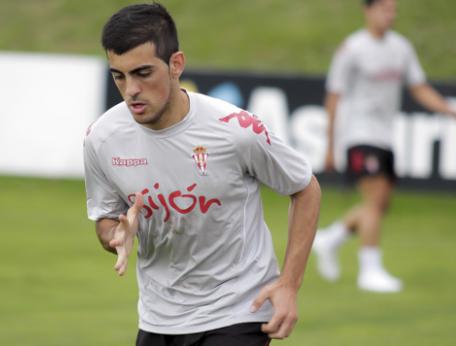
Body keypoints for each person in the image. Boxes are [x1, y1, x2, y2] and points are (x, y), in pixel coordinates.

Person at [83, 3, 321, 345]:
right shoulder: (102, 138)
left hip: (238, 310)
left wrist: (289, 284)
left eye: (143, 73)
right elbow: (106, 220)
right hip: (158, 317)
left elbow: (305, 188)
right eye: (119, 76)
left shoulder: (235, 130)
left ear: (176, 64)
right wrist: (116, 235)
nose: (131, 89)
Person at [314, 0, 456, 293]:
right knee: (374, 202)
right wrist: (330, 145)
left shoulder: (401, 47)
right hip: (359, 134)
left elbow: (418, 86)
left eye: (393, 9)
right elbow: (333, 97)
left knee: (380, 204)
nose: (390, 15)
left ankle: (330, 239)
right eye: (384, 9)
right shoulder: (352, 49)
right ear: (367, 10)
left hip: (385, 136)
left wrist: (449, 110)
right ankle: (369, 271)